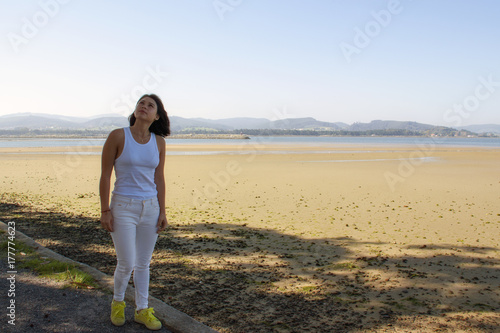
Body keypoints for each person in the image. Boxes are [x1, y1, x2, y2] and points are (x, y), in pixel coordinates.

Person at [99, 94, 170, 330]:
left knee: (143, 263)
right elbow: (105, 175)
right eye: (141, 103)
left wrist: (162, 210)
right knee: (126, 262)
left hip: (150, 207)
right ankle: (117, 303)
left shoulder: (159, 142)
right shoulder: (118, 136)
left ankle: (142, 309)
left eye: (150, 105)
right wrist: (105, 210)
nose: (144, 107)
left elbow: (159, 177)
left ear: (156, 116)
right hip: (122, 207)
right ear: (136, 109)